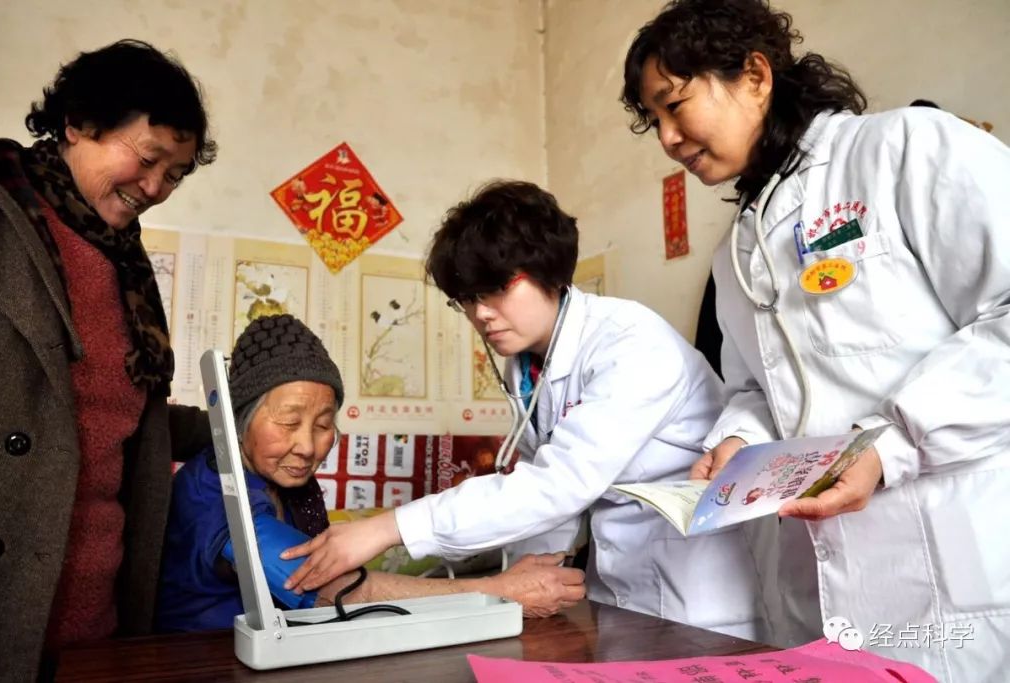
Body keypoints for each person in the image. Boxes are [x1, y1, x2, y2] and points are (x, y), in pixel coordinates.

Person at [621, 1, 1010, 680]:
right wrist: (738, 440)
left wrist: (888, 446)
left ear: (754, 76)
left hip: (955, 561)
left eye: (675, 105)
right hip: (820, 586)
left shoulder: (905, 149)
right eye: (653, 121)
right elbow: (756, 385)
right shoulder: (736, 250)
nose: (668, 139)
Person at [280, 181, 766, 639]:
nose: (481, 314)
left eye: (496, 289)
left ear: (548, 269)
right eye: (467, 299)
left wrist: (386, 529)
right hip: (620, 588)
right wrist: (515, 589)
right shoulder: (529, 365)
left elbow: (557, 486)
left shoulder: (631, 343)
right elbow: (543, 500)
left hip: (701, 595)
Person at [0, 40, 217, 681]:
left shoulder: (125, 265)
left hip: (94, 623)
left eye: (175, 175)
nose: (155, 188)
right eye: (147, 158)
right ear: (79, 123)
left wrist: (242, 423)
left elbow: (107, 417)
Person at [157, 314, 586, 631]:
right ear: (239, 421)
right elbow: (332, 591)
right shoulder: (216, 497)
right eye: (288, 422)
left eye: (324, 425)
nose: (307, 446)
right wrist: (500, 592)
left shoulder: (275, 479)